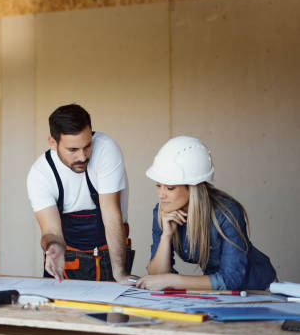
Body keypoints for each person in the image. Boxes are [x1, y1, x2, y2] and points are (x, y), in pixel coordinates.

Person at [136, 136, 276, 291]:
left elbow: (231, 280)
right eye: (158, 185)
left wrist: (171, 280)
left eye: (170, 188)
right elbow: (156, 278)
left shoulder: (226, 213)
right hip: (220, 294)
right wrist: (166, 236)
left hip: (258, 291)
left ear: (193, 188)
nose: (161, 195)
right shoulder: (163, 212)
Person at [27, 104, 135, 284]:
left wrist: (120, 273)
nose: (83, 157)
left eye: (87, 146)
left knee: (114, 309)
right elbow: (51, 230)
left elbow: (111, 214)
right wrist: (54, 248)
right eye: (73, 150)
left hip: (111, 254)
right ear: (53, 142)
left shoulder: (106, 149)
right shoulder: (40, 174)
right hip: (67, 259)